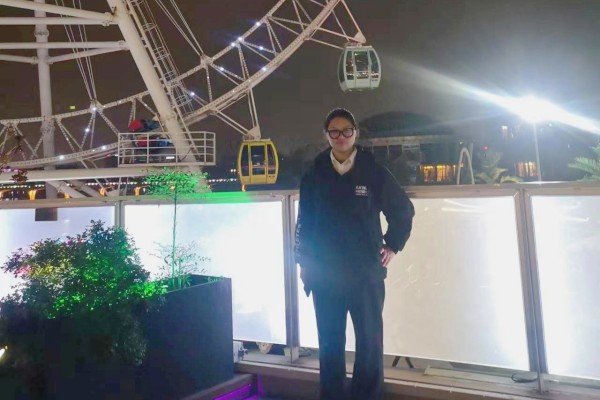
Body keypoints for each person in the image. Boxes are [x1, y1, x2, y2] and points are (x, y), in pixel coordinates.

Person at [294, 108, 415, 400]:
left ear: (355, 133)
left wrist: (392, 244)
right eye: (334, 131)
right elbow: (305, 222)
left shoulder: (372, 170)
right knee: (330, 344)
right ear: (326, 135)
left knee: (369, 344)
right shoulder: (315, 172)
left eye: (346, 130)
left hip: (365, 273)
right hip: (326, 274)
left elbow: (402, 210)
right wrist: (304, 262)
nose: (341, 136)